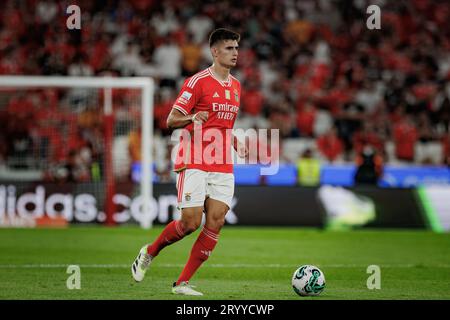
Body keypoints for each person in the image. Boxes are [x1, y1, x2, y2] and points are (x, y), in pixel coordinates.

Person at [131, 28, 248, 296]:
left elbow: (225, 125)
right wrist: (192, 118)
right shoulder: (197, 82)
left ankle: (181, 283)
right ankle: (149, 252)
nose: (235, 53)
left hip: (221, 162)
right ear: (215, 52)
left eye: (237, 48)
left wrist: (233, 141)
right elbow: (171, 120)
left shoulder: (236, 86)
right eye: (229, 48)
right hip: (195, 158)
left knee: (216, 220)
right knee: (190, 223)